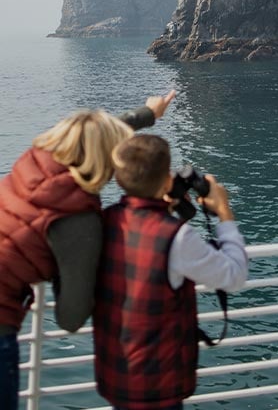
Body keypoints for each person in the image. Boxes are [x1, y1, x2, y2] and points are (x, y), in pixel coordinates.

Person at [0, 90, 175, 410]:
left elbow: (90, 134)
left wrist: (148, 114)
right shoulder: (78, 219)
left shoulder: (34, 162)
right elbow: (71, 317)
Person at [93, 133, 248, 410]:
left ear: (118, 178)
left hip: (116, 375)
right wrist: (224, 211)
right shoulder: (176, 237)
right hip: (158, 385)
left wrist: (165, 206)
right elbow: (234, 275)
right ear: (166, 180)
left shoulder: (105, 221)